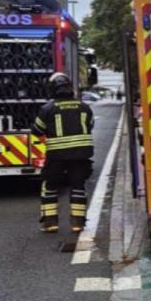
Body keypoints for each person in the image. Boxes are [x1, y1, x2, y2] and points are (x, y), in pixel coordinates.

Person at [33, 73, 95, 233]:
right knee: (78, 186)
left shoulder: (47, 108)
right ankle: (78, 223)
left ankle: (50, 223)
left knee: (50, 186)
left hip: (56, 156)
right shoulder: (84, 107)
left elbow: (37, 130)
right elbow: (90, 125)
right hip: (81, 154)